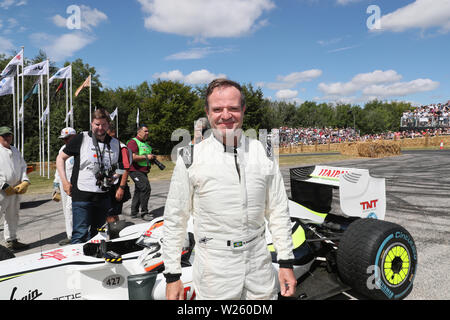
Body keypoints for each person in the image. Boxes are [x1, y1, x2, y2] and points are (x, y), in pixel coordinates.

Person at [162, 79, 296, 300]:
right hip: (214, 270)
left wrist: (286, 261)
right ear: (207, 112)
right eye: (217, 109)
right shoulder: (189, 156)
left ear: (243, 109)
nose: (225, 115)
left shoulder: (264, 151)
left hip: (259, 265)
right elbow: (175, 218)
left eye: (233, 108)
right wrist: (172, 275)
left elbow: (278, 210)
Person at [56, 109, 123, 244]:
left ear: (108, 125)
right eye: (97, 124)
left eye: (103, 125)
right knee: (80, 234)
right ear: (92, 124)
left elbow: (121, 167)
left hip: (103, 195)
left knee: (98, 234)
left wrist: (114, 177)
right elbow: (60, 158)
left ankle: (93, 260)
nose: (100, 128)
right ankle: (76, 262)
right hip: (82, 194)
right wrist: (64, 182)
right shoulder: (82, 138)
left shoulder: (115, 144)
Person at [0, 126, 30, 251]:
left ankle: (11, 240)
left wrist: (25, 180)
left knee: (13, 216)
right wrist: (3, 185)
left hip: (15, 189)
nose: (7, 138)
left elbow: (23, 166)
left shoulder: (15, 150)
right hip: (1, 190)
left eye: (9, 135)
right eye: (4, 135)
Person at [53, 127, 77, 246]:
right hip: (64, 183)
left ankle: (76, 234)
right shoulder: (63, 149)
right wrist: (56, 183)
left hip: (77, 184)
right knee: (66, 210)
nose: (66, 141)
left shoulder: (81, 148)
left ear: (75, 136)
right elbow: (59, 166)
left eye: (68, 138)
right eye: (64, 139)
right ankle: (70, 234)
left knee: (71, 208)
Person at [127, 125, 155, 221]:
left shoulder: (146, 144)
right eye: (145, 131)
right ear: (139, 132)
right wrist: (147, 157)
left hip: (143, 171)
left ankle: (134, 212)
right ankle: (144, 213)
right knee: (145, 188)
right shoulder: (133, 142)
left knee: (139, 190)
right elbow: (133, 157)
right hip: (135, 170)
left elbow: (147, 156)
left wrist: (151, 160)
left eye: (148, 131)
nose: (147, 133)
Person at [106, 128, 132, 224]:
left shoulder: (121, 147)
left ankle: (113, 234)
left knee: (111, 214)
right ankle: (112, 232)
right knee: (108, 214)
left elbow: (126, 168)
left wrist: (121, 188)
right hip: (107, 185)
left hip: (116, 186)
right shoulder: (107, 146)